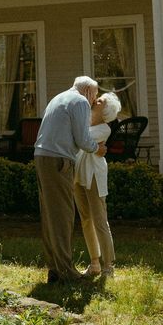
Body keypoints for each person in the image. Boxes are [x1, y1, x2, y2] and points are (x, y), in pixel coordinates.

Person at [34, 76, 106, 283]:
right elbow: (82, 139)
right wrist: (98, 148)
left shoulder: (59, 97)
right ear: (89, 91)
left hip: (42, 157)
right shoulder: (81, 101)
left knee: (49, 215)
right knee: (63, 216)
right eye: (95, 95)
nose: (95, 101)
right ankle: (66, 272)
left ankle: (54, 269)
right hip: (58, 160)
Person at [74, 92, 121, 278]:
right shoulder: (84, 121)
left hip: (94, 175)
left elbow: (79, 139)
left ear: (106, 112)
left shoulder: (104, 129)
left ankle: (108, 266)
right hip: (78, 175)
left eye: (100, 101)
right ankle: (94, 263)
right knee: (85, 219)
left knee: (100, 220)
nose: (95, 100)